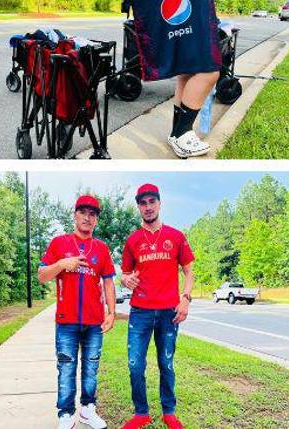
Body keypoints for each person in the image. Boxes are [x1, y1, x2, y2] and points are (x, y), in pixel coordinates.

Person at [123, 0, 254, 158]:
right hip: (177, 29)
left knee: (187, 76)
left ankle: (176, 134)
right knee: (210, 72)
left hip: (199, 27)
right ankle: (184, 133)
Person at [119, 184, 195, 429]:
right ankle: (141, 413)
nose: (148, 207)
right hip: (140, 312)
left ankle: (168, 412)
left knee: (166, 363)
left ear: (160, 204)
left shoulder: (176, 236)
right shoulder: (132, 240)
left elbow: (189, 271)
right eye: (143, 203)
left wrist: (186, 298)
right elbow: (124, 274)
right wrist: (126, 280)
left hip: (168, 313)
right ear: (138, 207)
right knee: (135, 364)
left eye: (152, 201)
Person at [38, 195, 116, 429]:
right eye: (83, 212)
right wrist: (63, 264)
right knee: (66, 366)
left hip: (94, 321)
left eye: (92, 214)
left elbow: (108, 282)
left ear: (96, 220)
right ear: (74, 215)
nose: (87, 218)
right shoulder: (59, 243)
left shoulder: (101, 248)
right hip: (67, 320)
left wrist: (111, 312)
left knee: (91, 366)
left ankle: (87, 409)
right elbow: (41, 276)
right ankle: (65, 413)